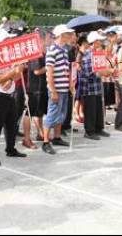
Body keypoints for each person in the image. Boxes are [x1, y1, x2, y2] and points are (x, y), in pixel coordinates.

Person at [0, 28, 27, 166]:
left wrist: (11, 78)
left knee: (11, 124)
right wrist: (12, 73)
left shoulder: (9, 53)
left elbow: (17, 73)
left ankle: (10, 149)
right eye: (7, 40)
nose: (10, 41)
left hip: (9, 94)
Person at [42, 24, 75, 155]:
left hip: (64, 88)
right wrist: (53, 90)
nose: (70, 36)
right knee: (52, 115)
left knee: (61, 115)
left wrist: (70, 85)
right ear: (62, 35)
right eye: (68, 34)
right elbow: (49, 73)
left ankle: (56, 137)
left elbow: (65, 70)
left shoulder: (64, 50)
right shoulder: (52, 50)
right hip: (56, 89)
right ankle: (45, 141)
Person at [79, 31, 112, 140]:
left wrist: (107, 71)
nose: (101, 43)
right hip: (89, 88)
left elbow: (102, 68)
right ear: (94, 42)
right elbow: (91, 72)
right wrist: (106, 72)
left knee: (98, 108)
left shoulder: (98, 53)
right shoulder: (88, 55)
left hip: (97, 86)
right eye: (99, 41)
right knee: (90, 110)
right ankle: (89, 131)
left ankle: (99, 128)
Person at [28, 30, 51, 142]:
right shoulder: (35, 52)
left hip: (42, 86)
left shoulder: (44, 51)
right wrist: (50, 67)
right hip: (35, 87)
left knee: (41, 111)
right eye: (48, 37)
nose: (49, 39)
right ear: (41, 38)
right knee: (36, 112)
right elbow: (36, 71)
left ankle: (40, 132)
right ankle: (40, 133)